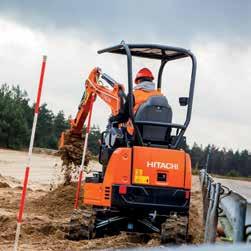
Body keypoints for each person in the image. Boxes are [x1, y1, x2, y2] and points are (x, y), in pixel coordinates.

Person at [109, 67, 162, 134]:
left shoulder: (134, 95)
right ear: (151, 81)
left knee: (116, 136)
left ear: (138, 81)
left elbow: (124, 117)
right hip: (160, 135)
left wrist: (112, 119)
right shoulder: (161, 96)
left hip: (136, 135)